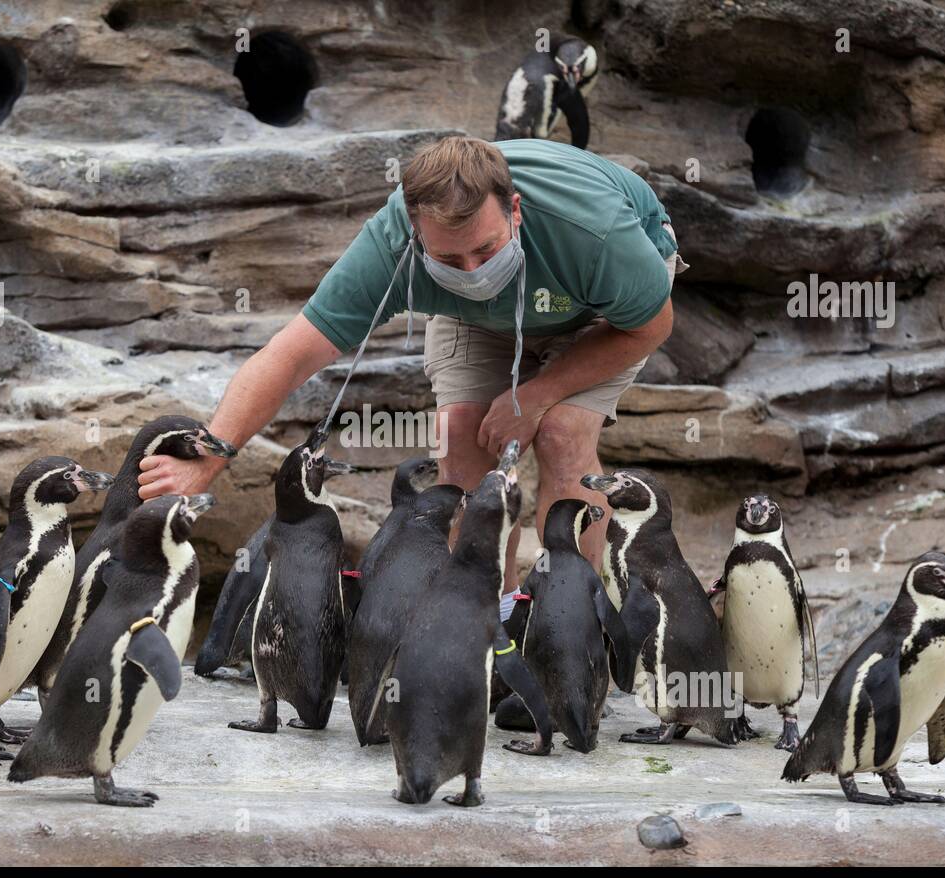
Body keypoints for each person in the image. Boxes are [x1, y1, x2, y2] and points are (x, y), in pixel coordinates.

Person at [138, 135, 685, 619]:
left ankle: (576, 622)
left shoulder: (593, 231)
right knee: (463, 443)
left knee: (562, 432)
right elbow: (289, 356)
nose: (473, 271)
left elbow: (651, 327)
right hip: (477, 322)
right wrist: (211, 457)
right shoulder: (392, 247)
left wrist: (537, 394)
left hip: (604, 314)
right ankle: (492, 622)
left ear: (514, 210)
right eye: (450, 258)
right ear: (417, 233)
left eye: (485, 249)